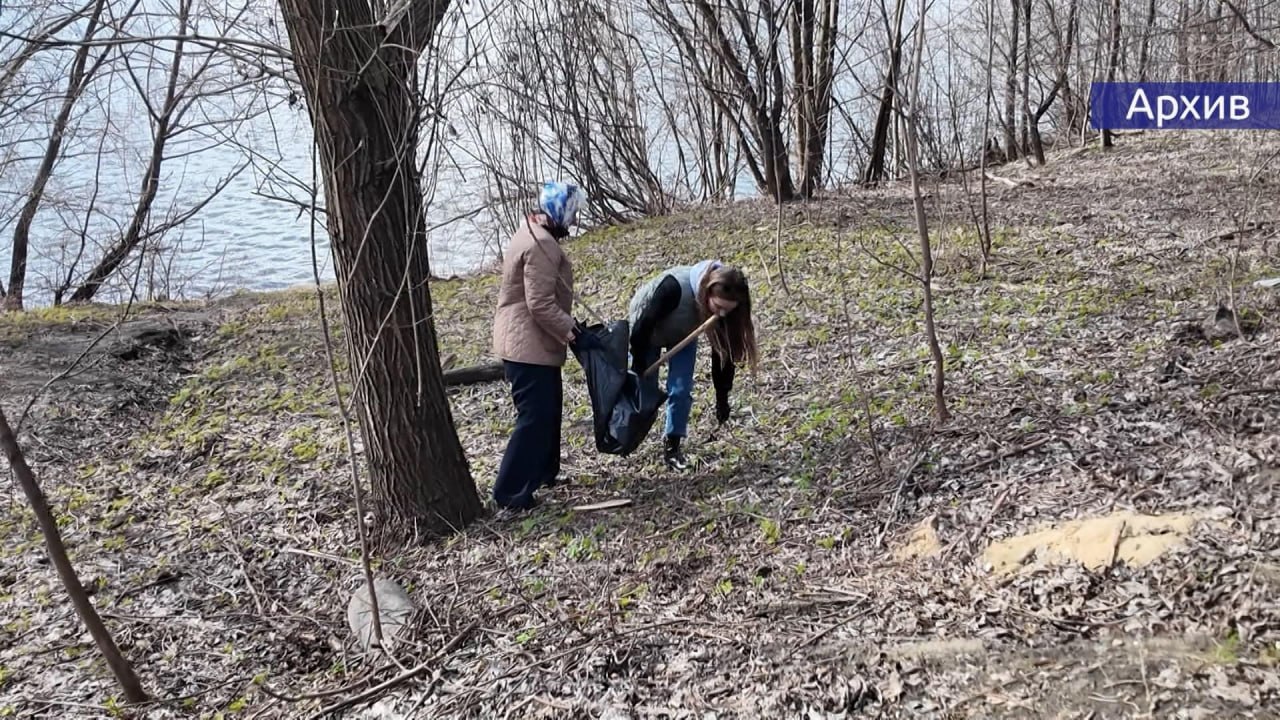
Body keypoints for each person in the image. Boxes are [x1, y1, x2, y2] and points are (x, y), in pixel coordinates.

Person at [490, 181, 589, 515]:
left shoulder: (529, 231)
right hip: (527, 345)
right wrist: (572, 332)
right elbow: (540, 303)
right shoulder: (542, 245)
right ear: (558, 212)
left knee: (550, 410)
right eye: (572, 214)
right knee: (535, 416)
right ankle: (510, 490)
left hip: (526, 340)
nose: (573, 222)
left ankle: (544, 472)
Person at [627, 260, 759, 470]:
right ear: (706, 293)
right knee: (643, 390)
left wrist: (722, 397)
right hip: (646, 331)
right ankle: (624, 434)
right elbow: (642, 327)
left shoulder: (722, 307)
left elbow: (722, 354)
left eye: (728, 310)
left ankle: (672, 446)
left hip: (682, 334)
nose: (722, 314)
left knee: (681, 389)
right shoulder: (673, 288)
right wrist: (640, 361)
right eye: (718, 308)